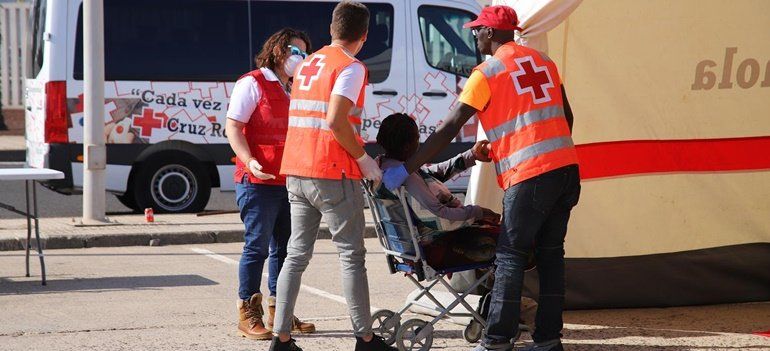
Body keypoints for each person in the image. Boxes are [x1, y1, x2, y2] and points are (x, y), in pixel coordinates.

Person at [382, 6, 581, 351]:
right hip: (566, 170)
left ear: (490, 33)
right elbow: (568, 117)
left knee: (509, 255)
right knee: (551, 254)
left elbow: (448, 127)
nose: (474, 36)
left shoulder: (486, 72)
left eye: (477, 31)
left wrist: (408, 166)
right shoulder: (544, 63)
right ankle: (549, 340)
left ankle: (496, 341)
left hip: (530, 175)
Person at [269, 2, 393, 351]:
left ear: (331, 28)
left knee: (296, 254)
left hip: (297, 168)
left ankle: (281, 338)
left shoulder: (309, 63)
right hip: (332, 169)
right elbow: (336, 120)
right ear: (364, 36)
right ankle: (365, 338)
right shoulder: (350, 67)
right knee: (351, 255)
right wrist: (364, 160)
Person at [225, 28, 316, 341]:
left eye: (306, 53)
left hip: (289, 179)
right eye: (297, 52)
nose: (301, 59)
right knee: (257, 247)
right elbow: (234, 127)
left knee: (285, 249)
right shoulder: (252, 83)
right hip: (257, 181)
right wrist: (249, 160)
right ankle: (248, 312)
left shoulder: (295, 87)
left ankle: (281, 311)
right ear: (280, 50)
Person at [375, 113, 501, 267]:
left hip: (412, 248)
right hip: (435, 250)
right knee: (513, 242)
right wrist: (478, 212)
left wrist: (471, 155)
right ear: (408, 145)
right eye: (417, 138)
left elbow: (431, 175)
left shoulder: (386, 167)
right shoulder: (407, 179)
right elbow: (443, 221)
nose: (419, 143)